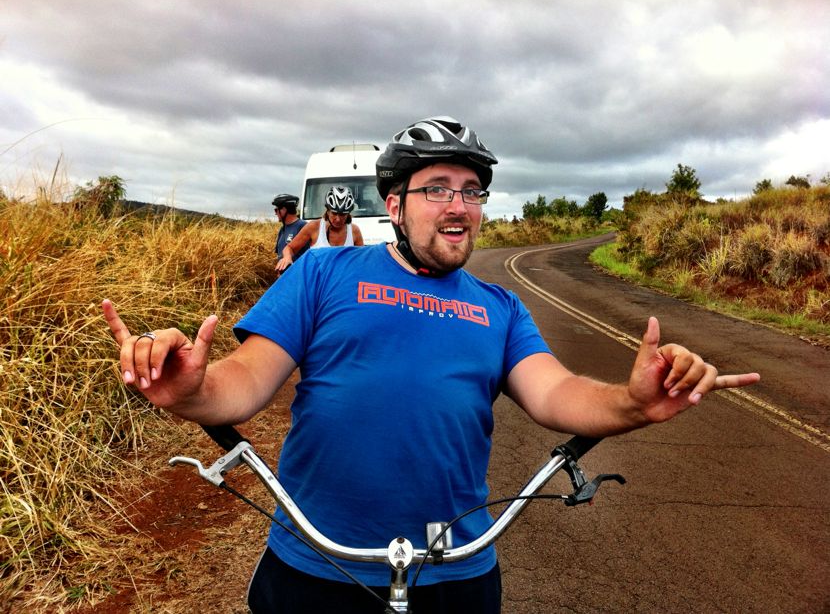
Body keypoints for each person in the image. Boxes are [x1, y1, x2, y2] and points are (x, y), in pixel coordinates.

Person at [102, 116, 760, 614]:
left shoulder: (500, 307)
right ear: (394, 206)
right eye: (436, 188)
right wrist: (192, 390)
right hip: (311, 567)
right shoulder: (324, 274)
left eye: (471, 192)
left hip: (459, 575)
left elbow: (556, 393)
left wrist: (634, 402)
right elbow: (242, 382)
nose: (457, 205)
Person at [275, 185, 364, 273]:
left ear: (348, 214)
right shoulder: (314, 227)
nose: (338, 219)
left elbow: (362, 260)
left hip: (342, 283)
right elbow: (289, 248)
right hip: (319, 283)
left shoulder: (354, 231)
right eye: (334, 213)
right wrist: (287, 258)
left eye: (342, 214)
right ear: (327, 210)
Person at [271, 194, 309, 270]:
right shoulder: (282, 229)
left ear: (284, 210)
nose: (275, 213)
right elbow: (279, 255)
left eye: (276, 210)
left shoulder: (303, 226)